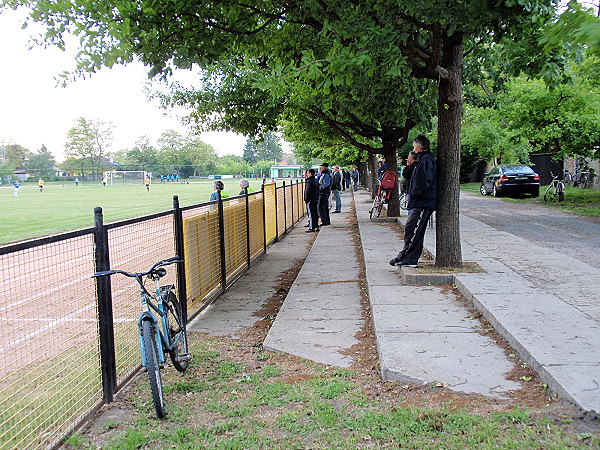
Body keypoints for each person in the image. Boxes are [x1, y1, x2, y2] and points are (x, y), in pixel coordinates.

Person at [389, 135, 438, 268]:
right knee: (410, 228)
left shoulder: (427, 159)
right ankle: (404, 255)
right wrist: (411, 163)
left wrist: (415, 193)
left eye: (414, 145)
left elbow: (424, 181)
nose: (413, 147)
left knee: (416, 230)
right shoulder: (421, 160)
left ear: (420, 146)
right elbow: (408, 174)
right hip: (419, 202)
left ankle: (410, 258)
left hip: (424, 202)